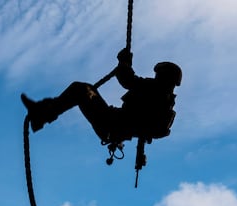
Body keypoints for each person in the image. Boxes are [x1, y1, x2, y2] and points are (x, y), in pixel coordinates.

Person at [21, 48, 182, 145]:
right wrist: (125, 65)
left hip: (111, 123)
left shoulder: (157, 90)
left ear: (164, 77)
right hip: (113, 127)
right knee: (84, 89)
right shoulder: (165, 101)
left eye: (158, 74)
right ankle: (42, 113)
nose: (155, 77)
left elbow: (128, 81)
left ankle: (41, 115)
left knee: (81, 89)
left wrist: (124, 63)